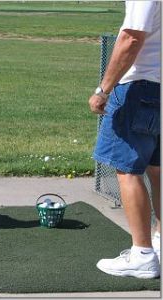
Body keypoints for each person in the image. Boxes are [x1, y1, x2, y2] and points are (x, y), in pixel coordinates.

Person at [89, 1, 161, 278]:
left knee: (128, 171)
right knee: (157, 169)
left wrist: (103, 89)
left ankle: (142, 255)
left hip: (139, 87)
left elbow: (132, 38)